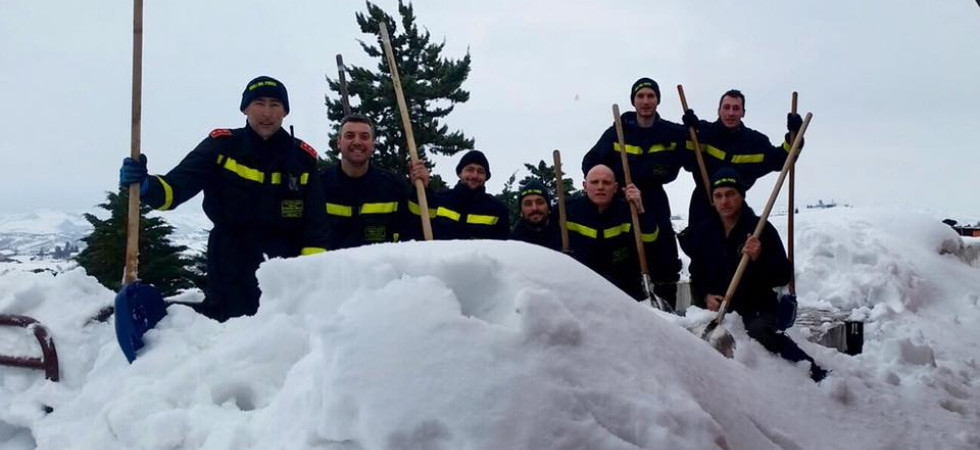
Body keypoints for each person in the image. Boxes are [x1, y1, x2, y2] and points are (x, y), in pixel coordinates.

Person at [118, 76, 329, 322]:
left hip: (284, 260)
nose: (267, 113)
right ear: (245, 108)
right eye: (259, 103)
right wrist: (146, 186)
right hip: (231, 256)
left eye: (275, 104)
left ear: (285, 112)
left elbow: (316, 224)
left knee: (282, 325)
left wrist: (310, 273)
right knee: (229, 323)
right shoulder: (221, 146)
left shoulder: (302, 158)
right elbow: (176, 188)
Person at [680, 167, 828, 382]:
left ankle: (813, 371)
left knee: (759, 331)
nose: (724, 201)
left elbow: (783, 275)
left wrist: (760, 256)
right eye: (718, 196)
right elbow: (697, 272)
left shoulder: (761, 229)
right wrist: (706, 296)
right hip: (720, 307)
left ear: (741, 195)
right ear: (712, 200)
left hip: (756, 307)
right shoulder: (705, 232)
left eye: (730, 194)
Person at [582, 77, 685, 307]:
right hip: (623, 200)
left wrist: (694, 125)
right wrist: (608, 185)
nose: (646, 101)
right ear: (633, 101)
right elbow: (590, 161)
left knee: (664, 253)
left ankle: (666, 307)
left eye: (651, 96)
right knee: (624, 256)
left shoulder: (670, 132)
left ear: (657, 100)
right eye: (641, 96)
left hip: (654, 199)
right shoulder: (618, 132)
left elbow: (697, 143)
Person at [681, 89, 803, 226]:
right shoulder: (702, 133)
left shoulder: (755, 143)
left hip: (735, 212)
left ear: (743, 112)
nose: (731, 113)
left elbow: (782, 160)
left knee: (757, 236)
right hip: (702, 208)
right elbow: (686, 160)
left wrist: (794, 136)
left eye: (736, 108)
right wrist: (687, 132)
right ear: (719, 111)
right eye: (726, 107)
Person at [320, 114, 430, 249]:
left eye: (364, 137)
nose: (357, 142)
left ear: (373, 144)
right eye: (349, 136)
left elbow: (417, 231)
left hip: (382, 262)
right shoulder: (318, 186)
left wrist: (423, 191)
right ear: (339, 142)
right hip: (329, 262)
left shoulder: (394, 187)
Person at [566, 164, 671, 301]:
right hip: (580, 288)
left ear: (616, 187)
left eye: (606, 183)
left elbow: (650, 243)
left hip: (624, 290)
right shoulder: (567, 211)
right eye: (595, 182)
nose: (600, 187)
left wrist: (640, 211)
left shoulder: (629, 211)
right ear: (585, 186)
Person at [431, 150, 510, 240]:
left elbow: (501, 246)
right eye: (470, 170)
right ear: (460, 173)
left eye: (480, 172)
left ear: (486, 177)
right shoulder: (439, 200)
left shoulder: (498, 210)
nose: (474, 176)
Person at [509, 179, 563, 251]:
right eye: (528, 204)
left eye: (540, 203)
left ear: (549, 208)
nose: (534, 208)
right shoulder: (514, 244)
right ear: (521, 212)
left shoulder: (565, 235)